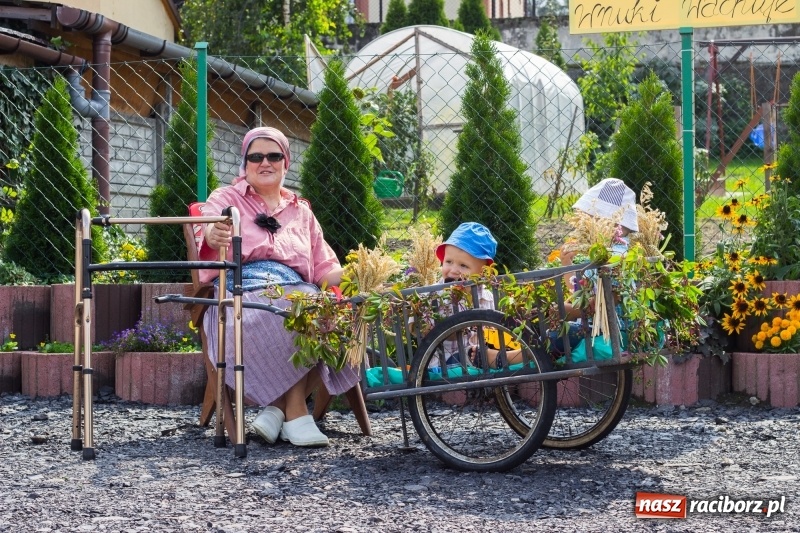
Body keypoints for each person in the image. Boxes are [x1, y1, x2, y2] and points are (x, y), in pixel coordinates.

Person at [198, 126, 359, 448]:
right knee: (293, 307)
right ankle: (297, 413)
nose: (265, 162)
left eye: (273, 156)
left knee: (339, 316)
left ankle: (277, 410)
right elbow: (209, 226)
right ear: (245, 163)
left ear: (286, 162)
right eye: (255, 156)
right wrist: (214, 233)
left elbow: (324, 269)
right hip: (240, 290)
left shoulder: (302, 211)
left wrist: (360, 272)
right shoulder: (226, 198)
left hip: (297, 289)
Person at [551, 177, 638, 358]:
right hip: (598, 328)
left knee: (553, 337)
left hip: (612, 333)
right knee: (553, 335)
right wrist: (567, 265)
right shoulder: (601, 253)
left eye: (591, 219)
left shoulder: (616, 256)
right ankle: (499, 357)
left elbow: (600, 305)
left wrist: (562, 310)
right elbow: (579, 294)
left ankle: (499, 359)